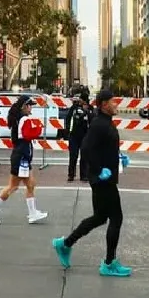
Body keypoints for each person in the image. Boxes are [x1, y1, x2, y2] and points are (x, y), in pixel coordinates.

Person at [53, 89, 129, 276]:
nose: (116, 105)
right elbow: (85, 149)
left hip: (105, 177)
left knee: (100, 217)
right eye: (113, 102)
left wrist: (119, 157)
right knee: (116, 218)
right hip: (103, 180)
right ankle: (108, 263)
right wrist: (97, 169)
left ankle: (65, 244)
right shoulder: (99, 124)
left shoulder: (105, 123)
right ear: (104, 104)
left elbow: (103, 146)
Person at [0, 95, 47, 226]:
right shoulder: (24, 119)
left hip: (22, 157)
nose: (31, 108)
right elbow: (28, 135)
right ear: (24, 106)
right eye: (30, 105)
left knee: (30, 184)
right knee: (13, 186)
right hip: (21, 157)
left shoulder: (20, 119)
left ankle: (33, 213)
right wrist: (39, 128)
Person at [63, 88, 92, 183]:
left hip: (85, 136)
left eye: (83, 100)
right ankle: (71, 175)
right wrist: (67, 131)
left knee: (84, 157)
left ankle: (84, 175)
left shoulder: (90, 109)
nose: (81, 102)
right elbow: (68, 118)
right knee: (73, 156)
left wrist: (87, 111)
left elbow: (93, 120)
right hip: (74, 136)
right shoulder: (74, 107)